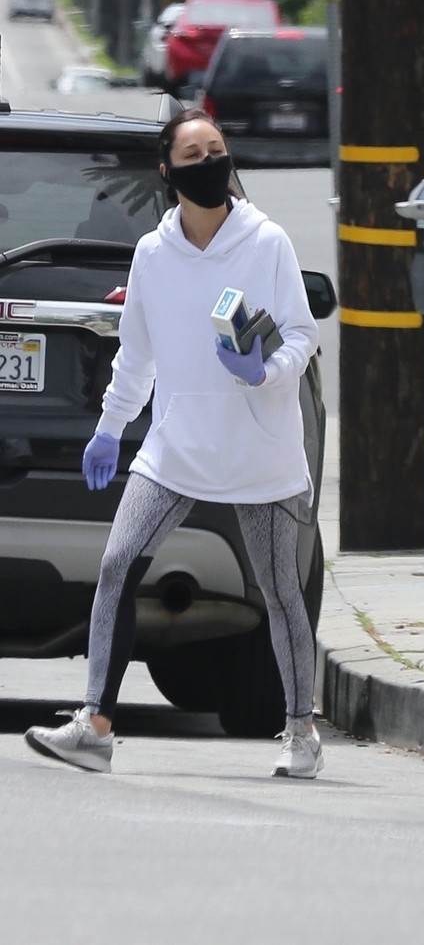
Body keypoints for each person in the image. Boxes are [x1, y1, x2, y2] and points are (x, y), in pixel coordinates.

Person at [24, 107, 323, 776]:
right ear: (169, 172)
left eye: (217, 150)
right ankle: (96, 725)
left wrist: (264, 368)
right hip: (175, 450)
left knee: (279, 591)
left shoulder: (265, 241)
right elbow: (136, 357)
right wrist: (108, 430)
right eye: (194, 156)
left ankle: (301, 730)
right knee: (116, 566)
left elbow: (301, 335)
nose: (210, 164)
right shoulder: (153, 254)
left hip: (259, 454)